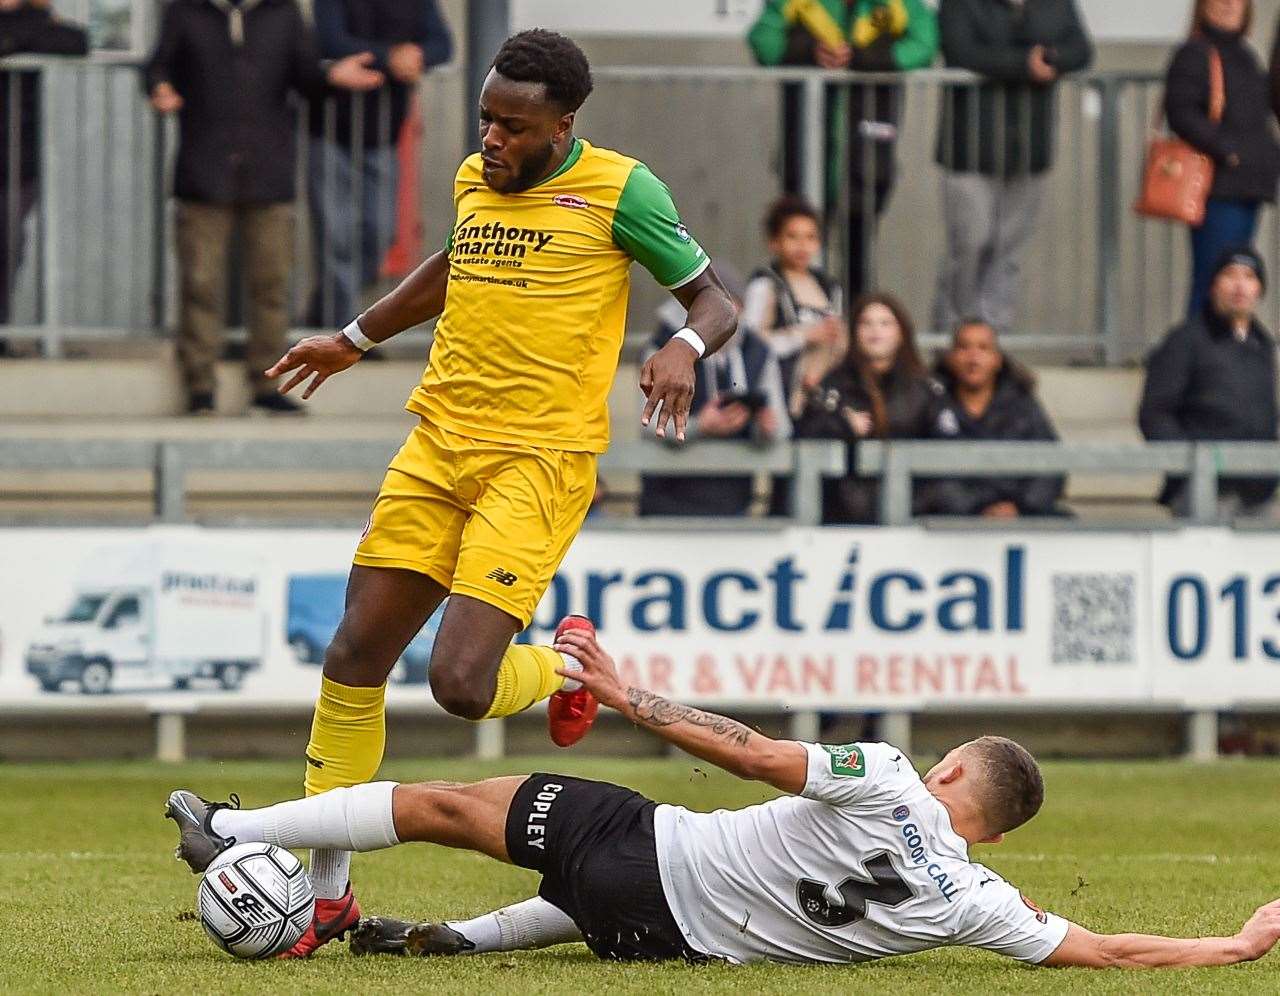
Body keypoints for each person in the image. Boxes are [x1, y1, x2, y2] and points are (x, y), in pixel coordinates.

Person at [260, 30, 737, 956]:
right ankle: (328, 896)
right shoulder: (478, 179)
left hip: (539, 461)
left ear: (564, 125)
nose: (491, 139)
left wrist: (682, 347)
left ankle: (566, 669)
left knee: (461, 683)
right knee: (356, 652)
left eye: (513, 127)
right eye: (485, 117)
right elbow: (454, 266)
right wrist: (353, 338)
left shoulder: (622, 189)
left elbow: (714, 299)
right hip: (437, 443)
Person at [165, 628, 1280, 971]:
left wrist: (624, 697)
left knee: (444, 802)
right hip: (661, 942)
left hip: (647, 857)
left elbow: (747, 754)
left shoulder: (886, 778)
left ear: (950, 775)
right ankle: (451, 937)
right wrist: (1230, 948)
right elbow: (1103, 951)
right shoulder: (974, 903)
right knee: (605, 889)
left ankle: (235, 829)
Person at [144, 0, 384, 416]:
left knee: (271, 283)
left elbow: (306, 75)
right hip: (204, 166)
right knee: (200, 282)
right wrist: (158, 87)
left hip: (269, 168)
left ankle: (267, 384)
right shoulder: (185, 11)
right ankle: (200, 385)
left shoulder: (284, 13)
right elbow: (157, 64)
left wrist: (332, 75)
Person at [747, 0, 938, 299]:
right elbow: (763, 40)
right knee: (800, 251)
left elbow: (925, 44)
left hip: (869, 154)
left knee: (859, 255)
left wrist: (870, 57)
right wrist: (809, 51)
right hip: (805, 151)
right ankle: (799, 326)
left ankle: (855, 332)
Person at [931, 0, 1092, 336]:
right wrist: (1024, 64)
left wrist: (1053, 59)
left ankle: (994, 336)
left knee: (1009, 250)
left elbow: (1080, 48)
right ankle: (953, 334)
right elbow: (961, 51)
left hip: (1028, 148)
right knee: (971, 241)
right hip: (970, 147)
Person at [306, 0, 453, 328]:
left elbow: (442, 45)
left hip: (385, 134)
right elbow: (329, 41)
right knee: (335, 234)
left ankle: (328, 310)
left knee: (380, 232)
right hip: (329, 130)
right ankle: (344, 327)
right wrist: (391, 58)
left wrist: (417, 56)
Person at [639, 265, 791, 518]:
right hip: (665, 501)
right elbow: (646, 422)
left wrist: (763, 428)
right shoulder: (661, 347)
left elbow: (782, 427)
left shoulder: (757, 351)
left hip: (734, 500)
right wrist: (699, 426)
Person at [1138, 246, 1278, 518]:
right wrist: (1190, 463)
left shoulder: (1263, 346)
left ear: (1259, 289)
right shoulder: (1184, 341)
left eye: (1249, 277)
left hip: (1259, 493)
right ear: (1213, 285)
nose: (1240, 286)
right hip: (1203, 493)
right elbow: (1154, 413)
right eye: (1229, 275)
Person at [1170, 0, 1280, 317]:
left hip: (1248, 184)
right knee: (1214, 280)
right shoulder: (1195, 53)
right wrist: (1228, 151)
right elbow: (1182, 113)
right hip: (1218, 187)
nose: (1230, 5)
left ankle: (1221, 360)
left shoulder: (1246, 55)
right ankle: (1196, 361)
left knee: (1232, 283)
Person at [794, 292, 940, 523]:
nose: (875, 331)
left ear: (902, 333)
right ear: (854, 332)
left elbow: (942, 454)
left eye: (885, 323)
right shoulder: (833, 385)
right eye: (866, 323)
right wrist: (843, 426)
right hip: (842, 520)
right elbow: (803, 434)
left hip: (913, 519)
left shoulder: (925, 390)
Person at [0, 0, 87, 340]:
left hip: (16, 159)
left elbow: (75, 42)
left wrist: (11, 38)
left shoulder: (35, 18)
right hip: (15, 155)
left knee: (6, 241)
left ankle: (1, 329)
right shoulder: (37, 23)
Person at [925, 319, 1065, 518]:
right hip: (950, 521)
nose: (973, 357)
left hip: (1020, 517)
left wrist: (1018, 508)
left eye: (983, 348)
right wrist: (977, 510)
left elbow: (1051, 467)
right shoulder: (931, 403)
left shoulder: (1023, 405)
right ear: (951, 358)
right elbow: (927, 478)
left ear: (997, 360)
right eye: (964, 347)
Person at [741, 196, 845, 421]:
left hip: (822, 398)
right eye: (792, 236)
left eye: (810, 237)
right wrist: (804, 336)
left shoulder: (830, 289)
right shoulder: (765, 286)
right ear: (774, 241)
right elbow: (751, 344)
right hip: (779, 399)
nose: (802, 246)